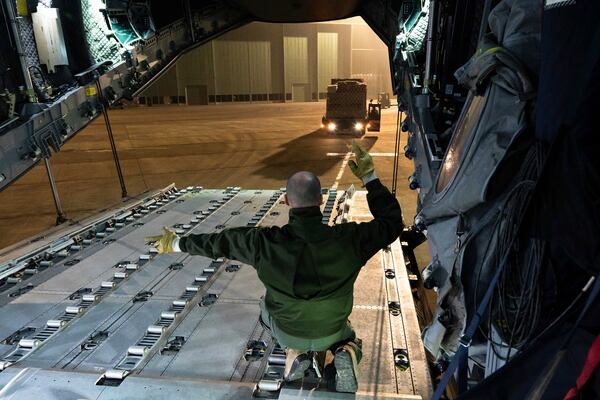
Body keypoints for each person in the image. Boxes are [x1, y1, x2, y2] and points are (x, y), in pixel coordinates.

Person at [145, 141, 403, 392]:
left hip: (290, 330)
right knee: (347, 334)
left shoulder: (263, 243)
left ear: (287, 202)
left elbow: (218, 243)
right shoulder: (350, 241)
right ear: (321, 201)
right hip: (332, 329)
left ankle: (296, 354)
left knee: (265, 307)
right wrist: (369, 177)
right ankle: (345, 350)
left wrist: (176, 242)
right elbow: (392, 223)